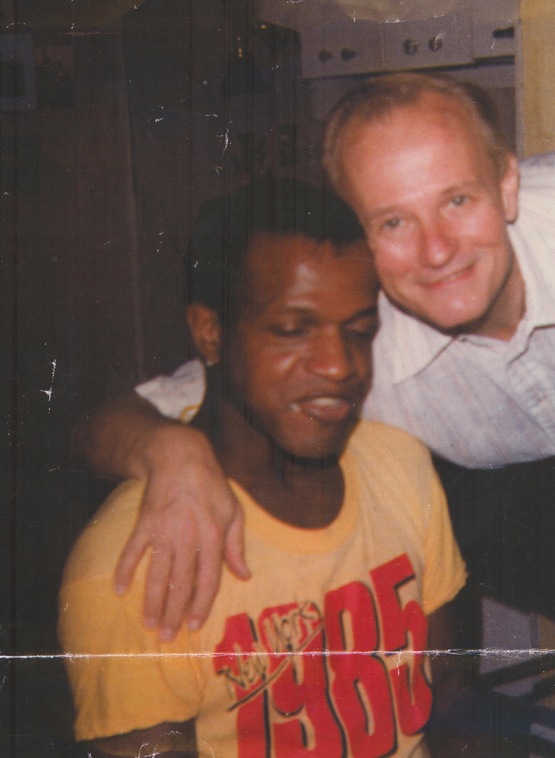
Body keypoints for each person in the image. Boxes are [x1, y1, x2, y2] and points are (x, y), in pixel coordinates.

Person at [77, 73, 555, 746]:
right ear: (357, 234)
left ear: (507, 185)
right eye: (393, 222)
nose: (438, 249)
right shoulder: (348, 340)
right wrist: (170, 453)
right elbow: (118, 416)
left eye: (457, 199)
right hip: (513, 482)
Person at [60, 177, 476, 757]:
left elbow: (448, 692)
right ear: (211, 334)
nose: (339, 365)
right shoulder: (133, 566)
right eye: (291, 330)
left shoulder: (400, 464)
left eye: (359, 331)